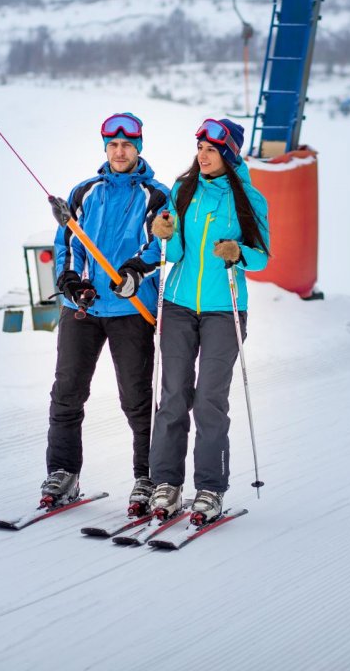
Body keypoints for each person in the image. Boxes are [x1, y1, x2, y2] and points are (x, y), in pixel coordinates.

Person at [131, 118, 269, 524]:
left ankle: (210, 487)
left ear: (227, 154)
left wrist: (238, 251)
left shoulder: (248, 198)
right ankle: (166, 483)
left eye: (211, 150)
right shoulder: (182, 189)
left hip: (224, 309)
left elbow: (261, 256)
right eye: (200, 149)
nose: (203, 156)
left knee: (209, 399)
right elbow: (173, 253)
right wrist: (164, 231)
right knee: (173, 396)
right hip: (176, 304)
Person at [40, 112, 171, 515]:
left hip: (131, 307)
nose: (119, 151)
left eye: (127, 145)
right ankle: (64, 472)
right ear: (105, 148)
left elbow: (160, 244)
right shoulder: (84, 192)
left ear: (139, 148)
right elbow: (69, 243)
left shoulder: (157, 194)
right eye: (113, 145)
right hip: (83, 307)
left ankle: (146, 476)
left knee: (136, 397)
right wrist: (69, 278)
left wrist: (135, 269)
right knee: (67, 393)